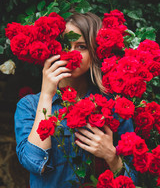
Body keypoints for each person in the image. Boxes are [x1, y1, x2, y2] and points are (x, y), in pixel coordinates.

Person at [14, 12, 137, 188]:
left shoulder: (113, 105)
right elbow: (34, 162)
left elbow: (135, 180)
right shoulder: (29, 106)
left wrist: (111, 156)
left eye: (81, 47)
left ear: (94, 51)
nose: (71, 54)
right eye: (64, 46)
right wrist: (47, 95)